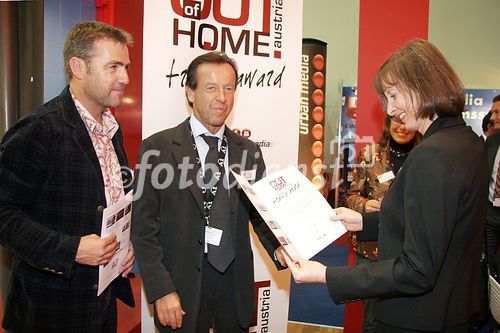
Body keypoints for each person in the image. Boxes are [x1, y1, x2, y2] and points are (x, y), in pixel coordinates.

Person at [282, 39, 488, 332]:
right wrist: (362, 222)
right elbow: (436, 223)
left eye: (393, 95)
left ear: (422, 84)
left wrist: (326, 275)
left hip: (416, 318)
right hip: (450, 310)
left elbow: (417, 270)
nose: (390, 110)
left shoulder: (433, 154)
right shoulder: (468, 142)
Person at [131, 51, 285, 333]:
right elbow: (142, 228)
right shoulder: (158, 148)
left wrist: (279, 249)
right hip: (180, 284)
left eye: (229, 88)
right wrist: (161, 289)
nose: (222, 97)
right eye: (211, 87)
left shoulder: (247, 151)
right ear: (190, 93)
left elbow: (260, 214)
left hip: (233, 283)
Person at [0, 21, 135, 332]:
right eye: (113, 66)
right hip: (49, 311)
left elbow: (112, 201)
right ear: (78, 67)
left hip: (101, 304)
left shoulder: (112, 130)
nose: (125, 78)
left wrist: (127, 246)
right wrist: (70, 249)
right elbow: (3, 213)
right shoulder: (39, 129)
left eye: (126, 66)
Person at [346, 115, 418, 333]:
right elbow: (350, 197)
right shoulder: (369, 155)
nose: (402, 127)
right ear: (388, 123)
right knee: (372, 321)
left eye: (408, 121)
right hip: (373, 252)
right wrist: (365, 205)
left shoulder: (426, 155)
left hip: (413, 252)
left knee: (410, 318)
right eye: (397, 121)